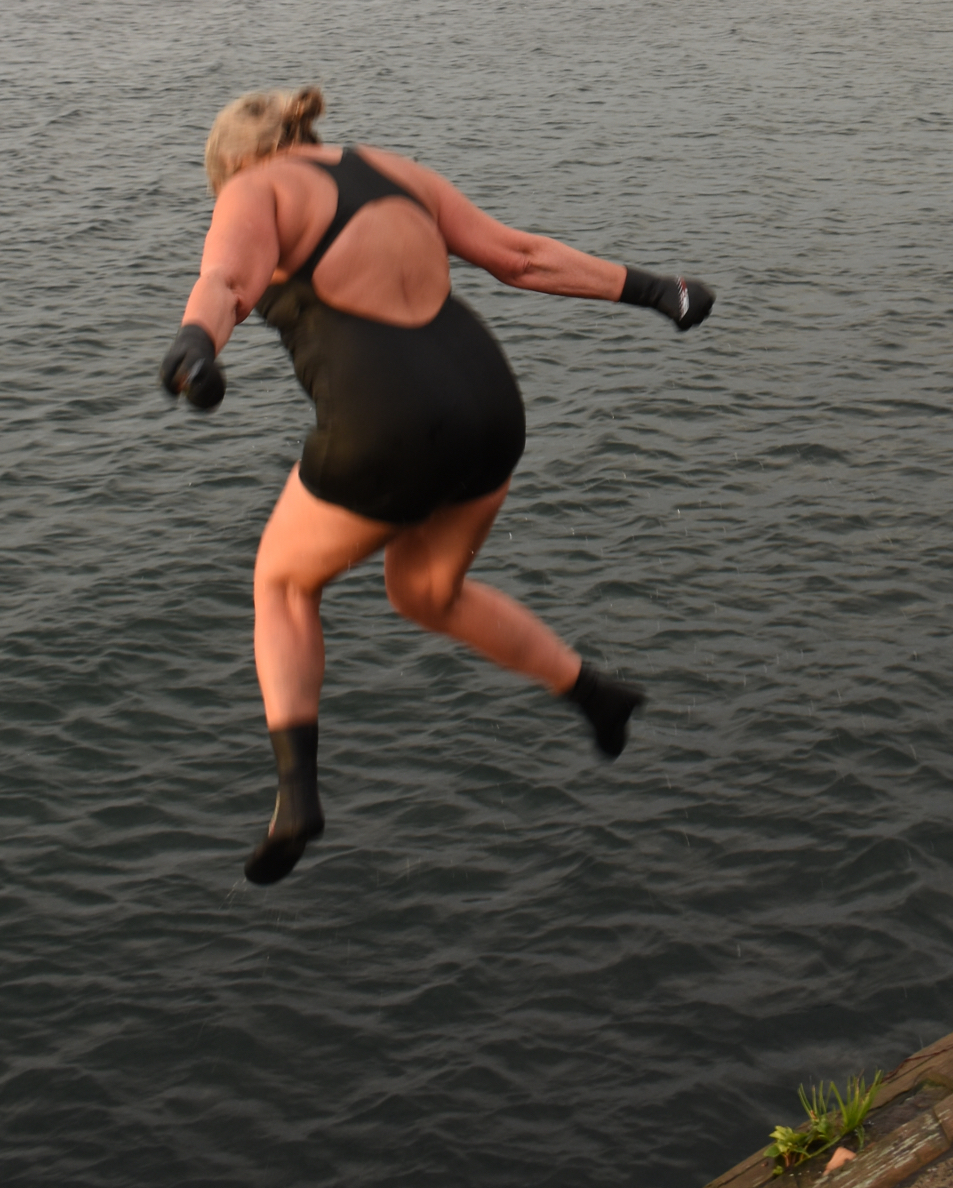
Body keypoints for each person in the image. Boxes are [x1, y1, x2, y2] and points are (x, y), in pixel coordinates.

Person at [159, 86, 715, 886]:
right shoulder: (391, 169)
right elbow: (518, 257)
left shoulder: (255, 187)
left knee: (281, 584)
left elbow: (227, 281)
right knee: (425, 591)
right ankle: (593, 692)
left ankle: (296, 797)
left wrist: (196, 343)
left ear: (235, 162)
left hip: (387, 422)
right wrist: (660, 289)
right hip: (490, 410)